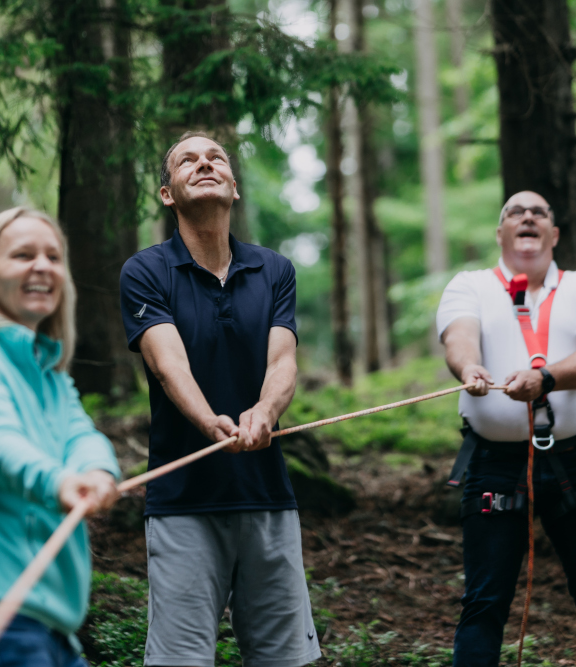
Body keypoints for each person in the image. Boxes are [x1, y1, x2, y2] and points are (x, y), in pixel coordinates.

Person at [120, 131, 320, 667]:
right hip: (183, 504)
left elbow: (283, 362)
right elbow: (168, 364)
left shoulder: (274, 270)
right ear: (168, 194)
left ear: (233, 188)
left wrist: (264, 412)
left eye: (216, 159)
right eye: (188, 160)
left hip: (269, 499)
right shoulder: (144, 272)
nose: (204, 164)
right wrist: (212, 422)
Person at [436, 191, 576, 667]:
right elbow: (459, 339)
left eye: (539, 212)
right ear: (500, 232)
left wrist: (545, 378)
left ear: (555, 233)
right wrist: (470, 368)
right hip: (493, 465)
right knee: (483, 604)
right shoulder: (469, 285)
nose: (527, 217)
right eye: (514, 213)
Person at [0, 206, 122, 667]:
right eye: (23, 255)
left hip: (50, 625)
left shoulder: (49, 373)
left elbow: (81, 435)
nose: (42, 267)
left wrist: (96, 469)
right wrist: (58, 483)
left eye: (53, 257)